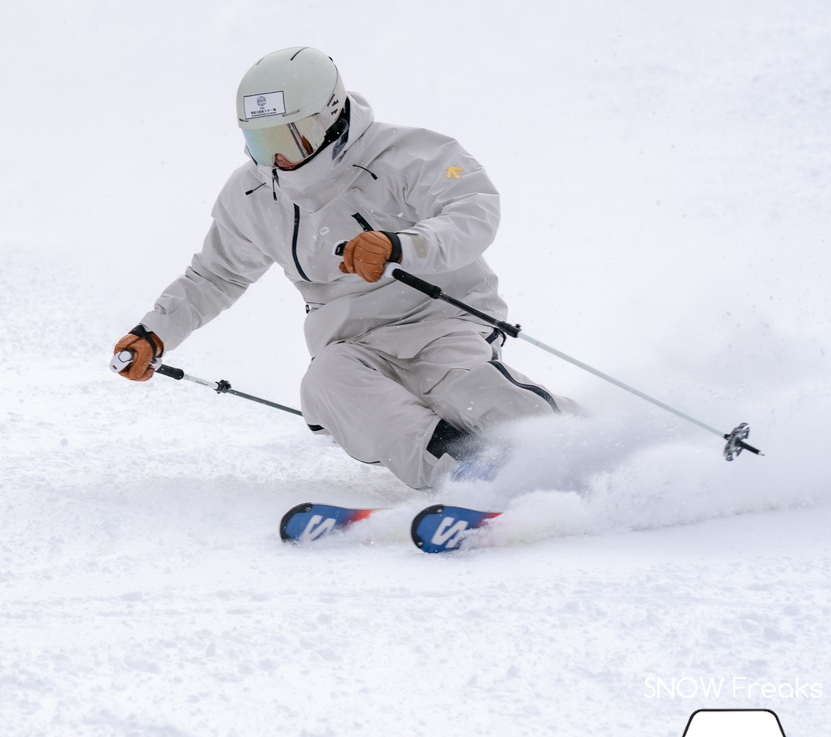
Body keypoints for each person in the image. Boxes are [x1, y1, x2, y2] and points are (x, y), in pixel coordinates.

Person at [113, 46, 571, 489]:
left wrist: (403, 246)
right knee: (329, 382)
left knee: (463, 388)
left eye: (286, 138)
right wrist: (155, 332)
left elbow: (473, 209)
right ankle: (465, 477)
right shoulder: (252, 193)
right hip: (350, 342)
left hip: (441, 322)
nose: (275, 158)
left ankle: (584, 449)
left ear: (328, 118)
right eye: (259, 140)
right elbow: (217, 275)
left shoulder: (409, 154)